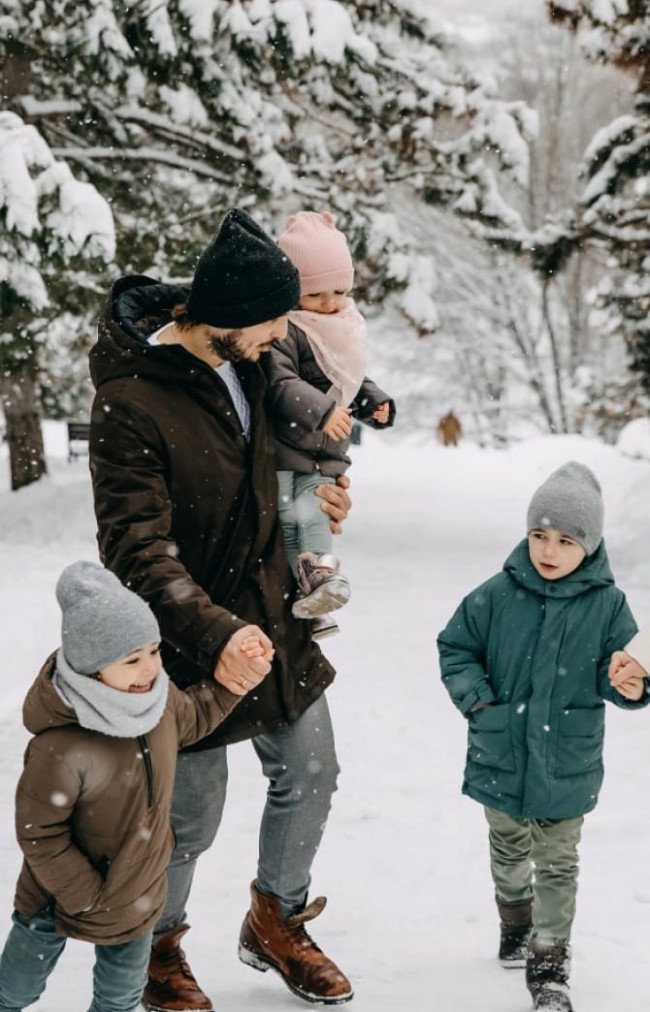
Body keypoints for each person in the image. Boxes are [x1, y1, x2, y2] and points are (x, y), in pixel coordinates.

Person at [87, 207, 354, 1011]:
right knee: (190, 814)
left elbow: (278, 472)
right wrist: (214, 635)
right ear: (229, 316)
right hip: (184, 641)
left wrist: (318, 501)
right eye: (273, 319)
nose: (283, 333)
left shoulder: (254, 366)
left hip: (272, 616)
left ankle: (277, 920)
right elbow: (136, 549)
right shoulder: (131, 401)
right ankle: (160, 945)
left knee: (313, 774)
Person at [437, 461, 649, 1012]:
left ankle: (550, 960)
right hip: (501, 749)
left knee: (558, 860)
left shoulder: (608, 605)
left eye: (565, 540)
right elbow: (455, 646)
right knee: (508, 848)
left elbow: (620, 670)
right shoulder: (496, 594)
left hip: (565, 758)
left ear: (590, 545)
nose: (548, 550)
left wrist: (630, 682)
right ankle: (515, 920)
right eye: (539, 535)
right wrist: (479, 701)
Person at [0, 561, 244, 1012]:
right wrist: (86, 896)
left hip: (136, 892)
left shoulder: (159, 703)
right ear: (92, 670)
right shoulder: (61, 746)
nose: (149, 668)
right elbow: (40, 833)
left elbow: (193, 718)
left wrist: (233, 685)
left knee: (119, 1000)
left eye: (153, 651)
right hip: (54, 899)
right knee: (15, 990)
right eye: (132, 660)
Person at [266, 210, 395, 638]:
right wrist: (322, 410)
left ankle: (317, 589)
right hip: (287, 450)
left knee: (315, 514)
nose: (330, 303)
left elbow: (347, 379)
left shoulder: (341, 327)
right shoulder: (286, 330)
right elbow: (280, 383)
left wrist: (373, 402)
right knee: (289, 523)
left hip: (324, 456)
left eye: (340, 291)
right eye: (316, 294)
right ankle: (309, 596)